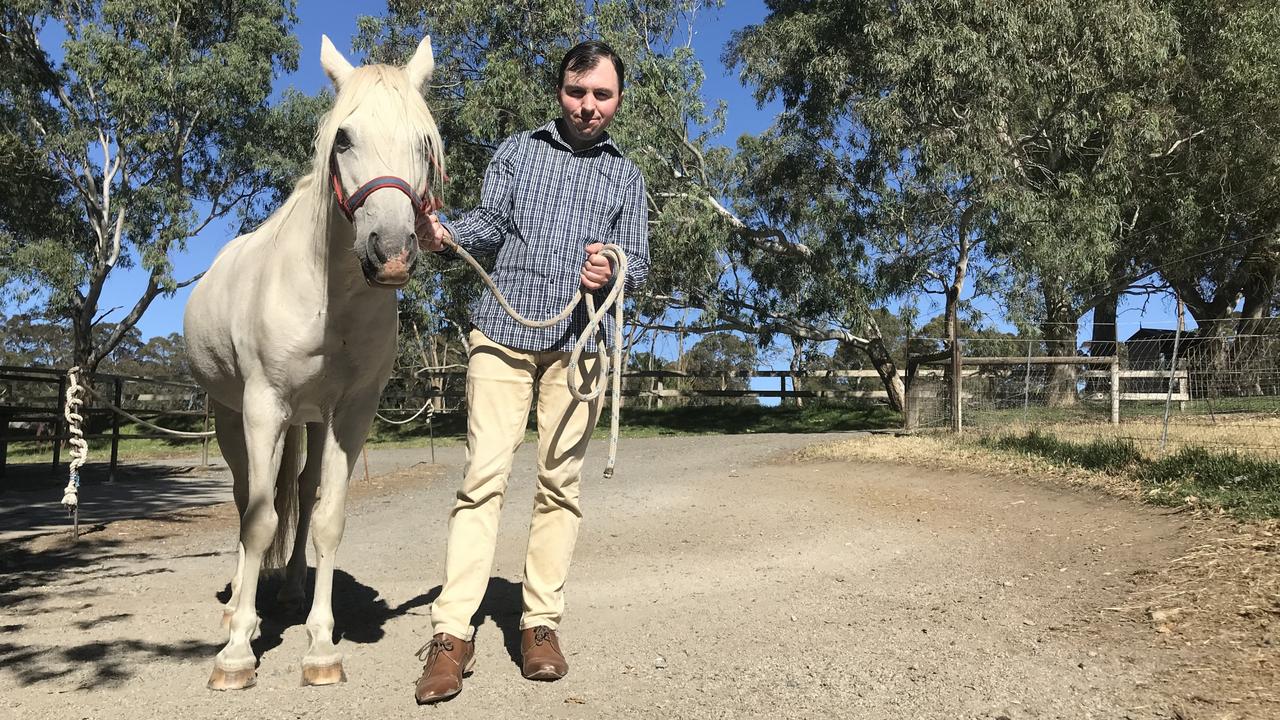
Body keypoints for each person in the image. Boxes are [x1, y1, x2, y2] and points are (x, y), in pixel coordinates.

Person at [411, 40, 649, 704]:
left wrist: (612, 270)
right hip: (503, 335)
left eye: (602, 95)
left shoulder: (626, 175)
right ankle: (452, 635)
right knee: (482, 478)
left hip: (581, 346)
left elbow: (642, 263)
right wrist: (444, 233)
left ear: (618, 99)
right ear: (561, 92)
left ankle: (539, 624)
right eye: (579, 92)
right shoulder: (518, 151)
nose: (589, 106)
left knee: (560, 485)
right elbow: (486, 225)